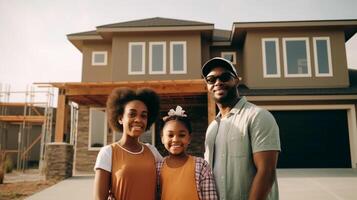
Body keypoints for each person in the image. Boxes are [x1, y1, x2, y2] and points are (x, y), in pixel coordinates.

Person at [202, 57, 281, 200]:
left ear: (237, 80)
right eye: (211, 79)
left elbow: (267, 172)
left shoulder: (258, 116)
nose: (218, 83)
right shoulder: (212, 128)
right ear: (206, 85)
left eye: (225, 77)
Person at [93, 87, 162, 200]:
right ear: (120, 118)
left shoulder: (152, 151)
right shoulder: (108, 152)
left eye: (143, 115)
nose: (138, 119)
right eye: (132, 114)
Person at [156, 105, 218, 200]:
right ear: (162, 139)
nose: (175, 139)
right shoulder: (158, 168)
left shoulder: (201, 165)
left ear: (189, 138)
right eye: (170, 135)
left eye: (181, 135)